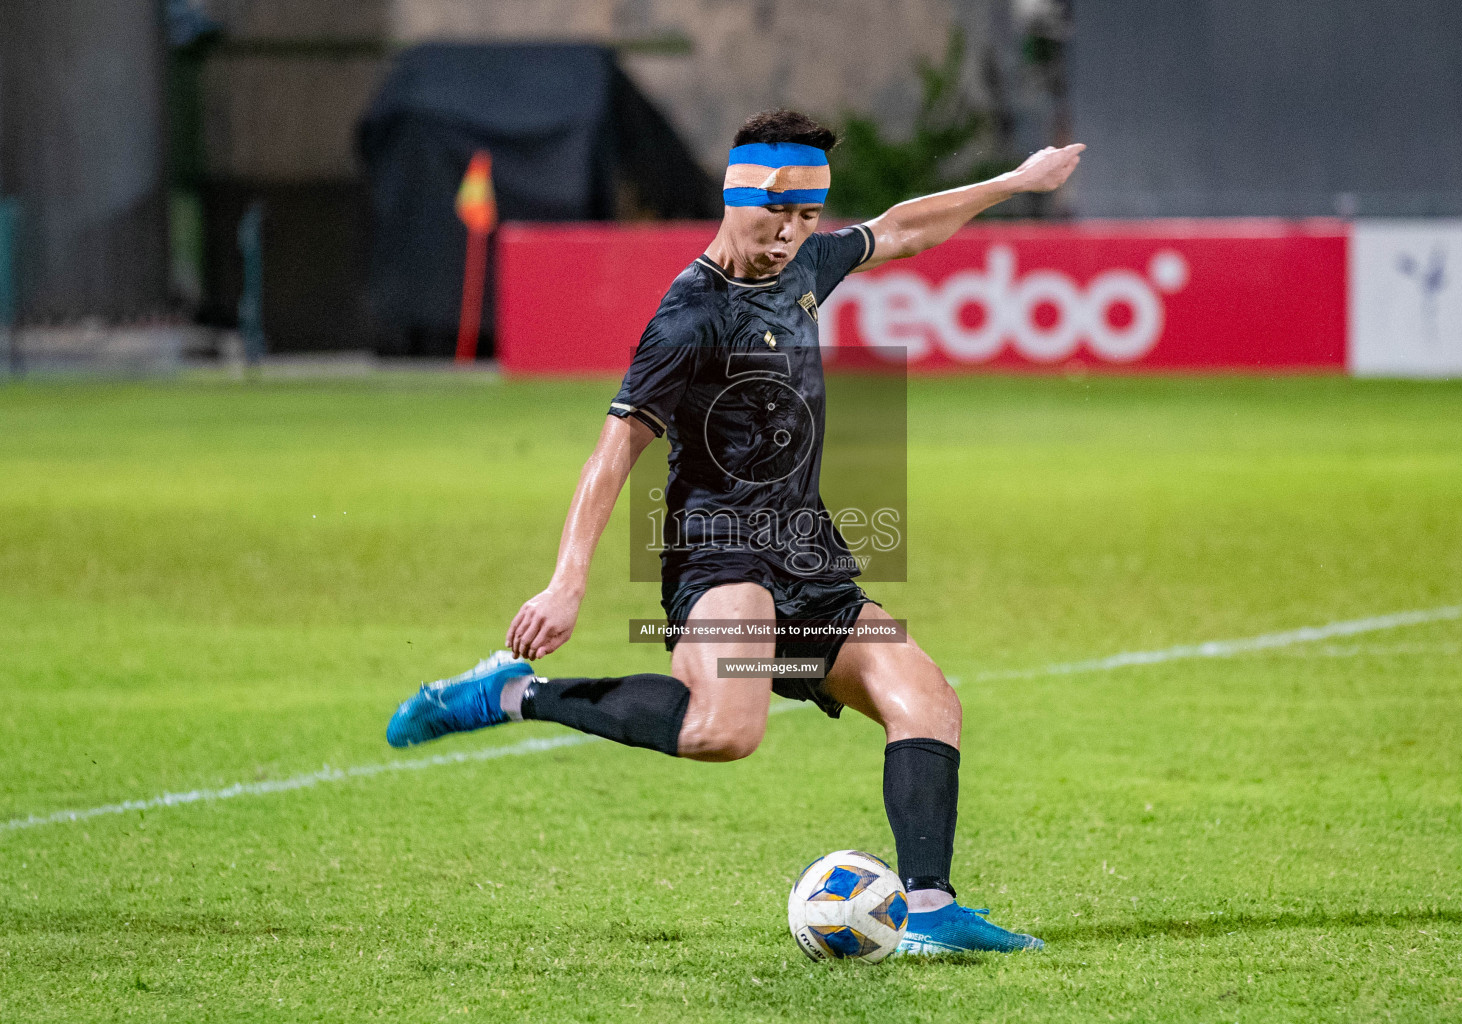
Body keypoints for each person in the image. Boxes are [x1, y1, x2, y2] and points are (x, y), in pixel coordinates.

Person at [388, 109, 1082, 955]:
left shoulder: (802, 268)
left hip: (810, 561)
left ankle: (931, 908)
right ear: (736, 195)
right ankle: (510, 694)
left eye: (806, 217)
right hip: (722, 561)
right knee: (726, 731)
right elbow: (615, 450)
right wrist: (567, 581)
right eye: (777, 213)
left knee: (929, 702)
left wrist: (1013, 184)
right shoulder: (690, 313)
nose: (792, 234)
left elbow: (899, 231)